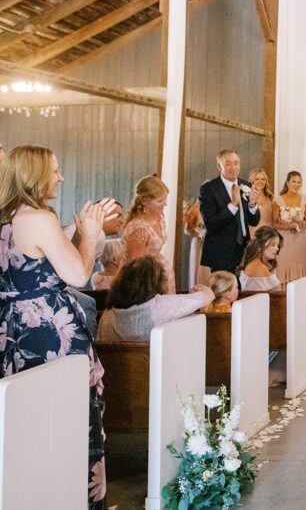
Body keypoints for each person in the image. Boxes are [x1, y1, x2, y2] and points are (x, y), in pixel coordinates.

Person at [0, 145, 115, 509]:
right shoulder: (38, 218)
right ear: (35, 175)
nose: (61, 177)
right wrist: (91, 237)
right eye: (55, 170)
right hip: (52, 333)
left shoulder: (7, 217)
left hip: (12, 331)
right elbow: (78, 274)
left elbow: (33, 263)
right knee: (71, 421)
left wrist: (79, 230)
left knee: (28, 427)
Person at [97, 256, 214, 341]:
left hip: (114, 373)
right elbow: (209, 295)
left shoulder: (108, 314)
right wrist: (198, 289)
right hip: (151, 372)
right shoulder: (158, 307)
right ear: (157, 283)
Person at [198, 149, 261, 274]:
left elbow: (253, 222)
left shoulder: (246, 185)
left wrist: (253, 205)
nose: (233, 168)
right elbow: (210, 224)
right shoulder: (208, 189)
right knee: (224, 292)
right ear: (219, 166)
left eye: (236, 163)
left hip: (245, 250)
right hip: (222, 252)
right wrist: (232, 205)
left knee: (243, 291)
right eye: (227, 164)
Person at [123, 175, 175, 294]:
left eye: (165, 199)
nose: (165, 204)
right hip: (148, 282)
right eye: (160, 201)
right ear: (144, 201)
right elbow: (135, 267)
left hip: (162, 277)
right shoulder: (138, 228)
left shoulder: (158, 217)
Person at [272, 171, 306, 283]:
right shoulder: (278, 199)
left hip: (300, 240)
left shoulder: (305, 199)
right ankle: (283, 298)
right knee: (283, 266)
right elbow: (274, 224)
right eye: (293, 181)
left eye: (299, 182)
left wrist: (304, 222)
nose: (296, 184)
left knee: (300, 267)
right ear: (287, 183)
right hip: (285, 241)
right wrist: (288, 225)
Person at [239, 226, 283, 292]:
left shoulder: (266, 264)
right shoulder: (259, 268)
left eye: (277, 245)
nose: (277, 249)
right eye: (273, 245)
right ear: (260, 245)